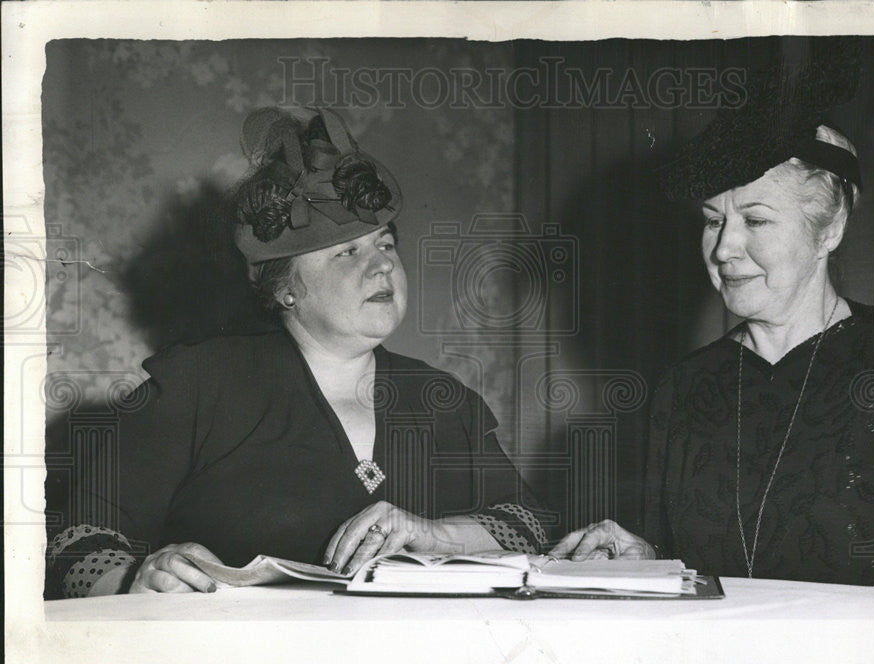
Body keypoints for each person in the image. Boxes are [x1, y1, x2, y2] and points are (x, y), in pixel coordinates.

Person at [46, 108, 548, 598]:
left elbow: (528, 524)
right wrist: (138, 577)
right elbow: (76, 545)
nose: (382, 267)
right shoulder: (195, 384)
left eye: (386, 244)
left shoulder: (444, 399)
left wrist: (432, 533)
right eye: (347, 252)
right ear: (286, 287)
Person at [554, 52, 874, 587]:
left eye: (755, 219)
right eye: (712, 221)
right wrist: (648, 557)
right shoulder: (685, 387)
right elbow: (694, 562)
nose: (725, 247)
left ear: (829, 229)